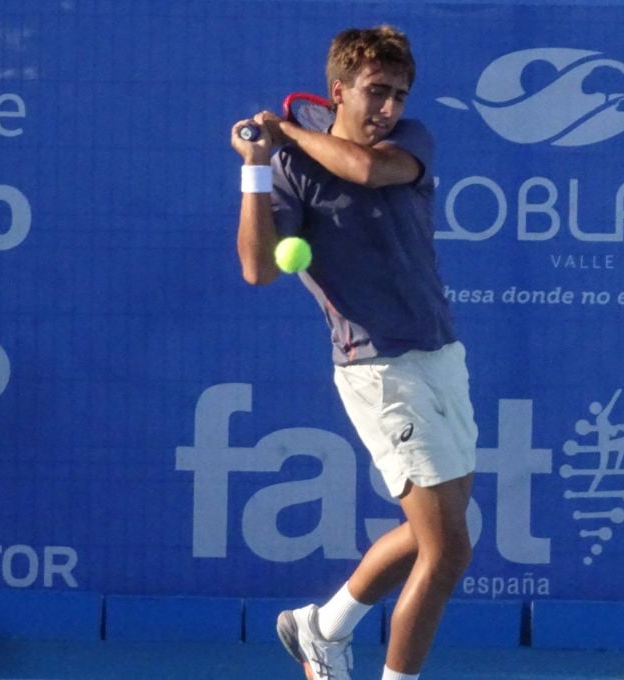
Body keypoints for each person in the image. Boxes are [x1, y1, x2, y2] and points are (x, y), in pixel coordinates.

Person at [229, 25, 476, 680]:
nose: (388, 107)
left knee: (439, 536)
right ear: (338, 90)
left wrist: (286, 133)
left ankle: (324, 626)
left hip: (440, 358)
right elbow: (257, 268)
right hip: (378, 370)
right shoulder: (289, 168)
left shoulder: (409, 141)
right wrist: (258, 165)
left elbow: (365, 170)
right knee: (448, 549)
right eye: (375, 92)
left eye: (397, 93)